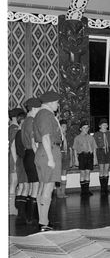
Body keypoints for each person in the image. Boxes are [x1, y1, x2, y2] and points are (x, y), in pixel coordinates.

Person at [33, 90, 62, 232]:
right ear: (50, 102)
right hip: (49, 150)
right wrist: (50, 158)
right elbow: (45, 137)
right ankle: (43, 223)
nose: (58, 104)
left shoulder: (41, 114)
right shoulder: (45, 114)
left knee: (44, 186)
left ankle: (43, 221)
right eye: (57, 102)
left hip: (44, 151)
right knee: (48, 187)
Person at [21, 97, 41, 223]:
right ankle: (31, 216)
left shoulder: (24, 122)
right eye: (39, 108)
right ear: (33, 108)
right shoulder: (32, 121)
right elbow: (34, 143)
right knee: (36, 186)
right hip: (33, 154)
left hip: (27, 155)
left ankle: (30, 216)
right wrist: (39, 158)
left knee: (33, 186)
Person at [73, 120, 97, 197]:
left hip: (89, 156)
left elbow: (94, 149)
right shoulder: (77, 138)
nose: (86, 129)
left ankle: (87, 190)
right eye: (84, 128)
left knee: (88, 173)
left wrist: (95, 158)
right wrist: (76, 160)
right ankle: (83, 191)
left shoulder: (91, 138)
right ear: (80, 129)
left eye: (87, 128)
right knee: (82, 173)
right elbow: (75, 149)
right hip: (82, 156)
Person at [8, 107, 24, 215]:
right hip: (14, 158)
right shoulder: (14, 128)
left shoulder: (11, 127)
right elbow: (13, 145)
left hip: (12, 158)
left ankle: (12, 206)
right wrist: (15, 162)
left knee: (13, 183)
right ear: (15, 117)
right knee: (14, 183)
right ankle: (11, 208)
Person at [93, 118, 110, 195]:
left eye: (106, 124)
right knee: (101, 170)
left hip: (108, 152)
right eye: (103, 125)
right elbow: (94, 146)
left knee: (106, 170)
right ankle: (102, 189)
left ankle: (106, 189)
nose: (105, 126)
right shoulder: (96, 134)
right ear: (100, 126)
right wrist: (95, 156)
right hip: (100, 152)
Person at [56, 119, 72, 198]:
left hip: (66, 156)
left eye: (65, 127)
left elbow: (71, 148)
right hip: (58, 156)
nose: (64, 128)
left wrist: (72, 159)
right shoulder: (57, 135)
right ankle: (58, 192)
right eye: (62, 126)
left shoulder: (68, 136)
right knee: (58, 175)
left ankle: (63, 191)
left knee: (64, 175)